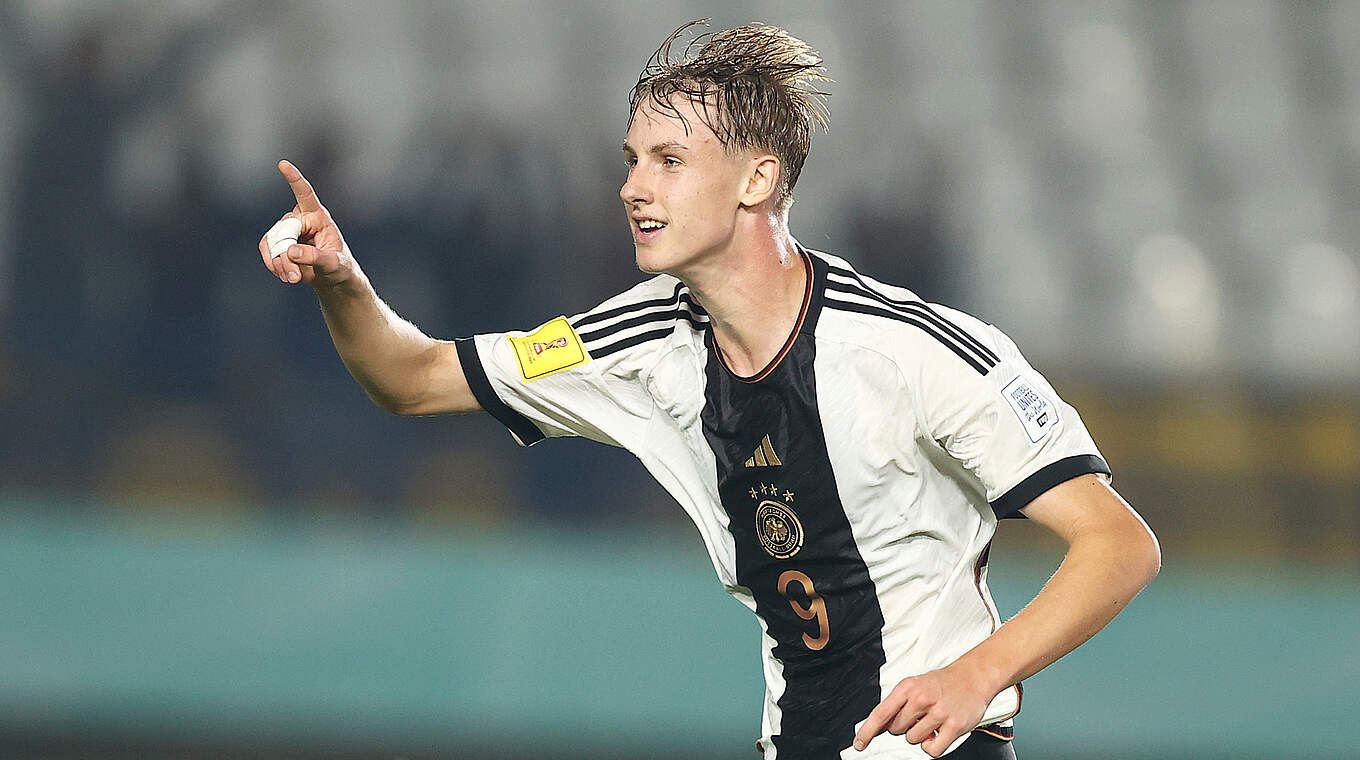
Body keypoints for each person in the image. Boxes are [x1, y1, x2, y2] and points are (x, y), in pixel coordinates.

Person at [257, 20, 1160, 760]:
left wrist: (976, 674)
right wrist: (342, 278)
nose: (630, 187)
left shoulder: (911, 350)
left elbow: (1119, 544)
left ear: (757, 179)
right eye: (630, 159)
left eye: (668, 160)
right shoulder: (639, 341)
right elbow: (413, 379)